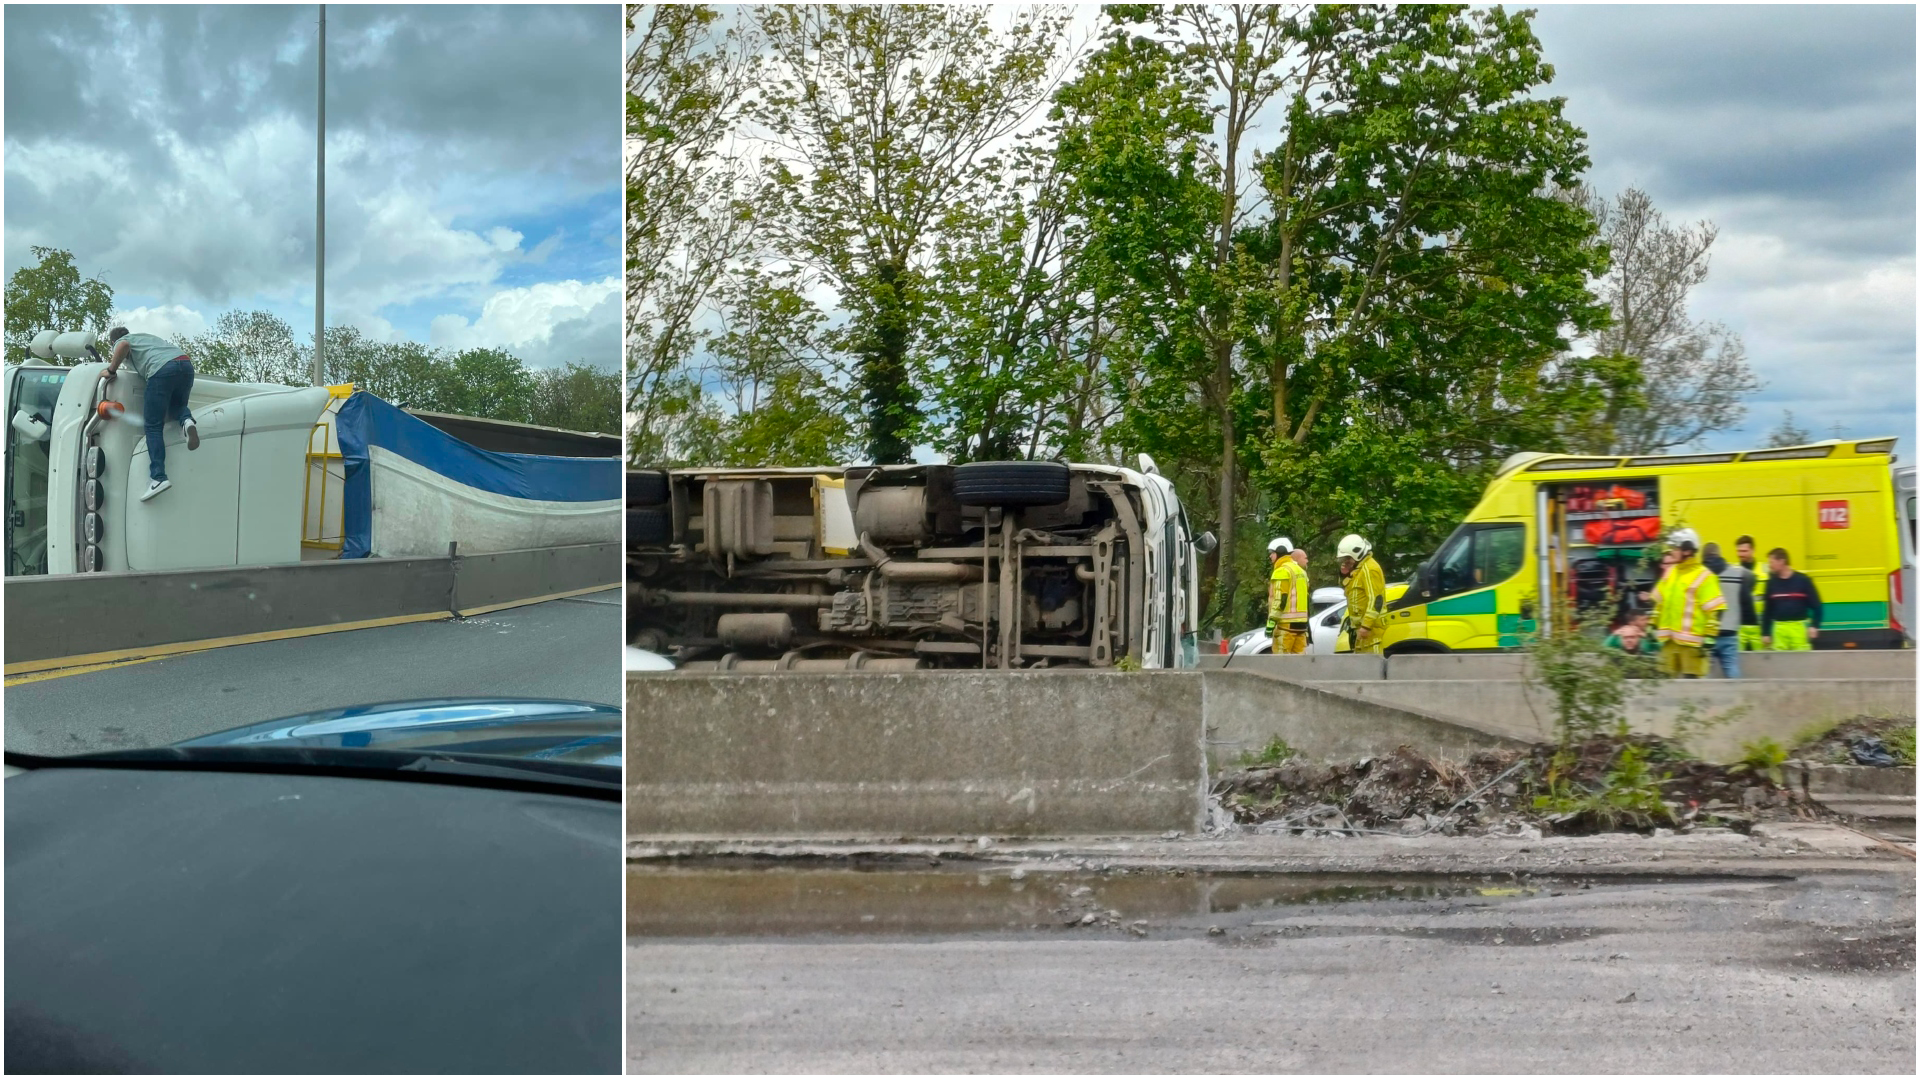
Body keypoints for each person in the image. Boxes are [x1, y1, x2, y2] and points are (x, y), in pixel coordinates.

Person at [103, 326, 199, 502]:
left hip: (160, 370)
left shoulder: (124, 341)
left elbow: (123, 345)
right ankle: (187, 422)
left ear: (112, 342)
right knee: (177, 405)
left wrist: (111, 370)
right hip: (185, 365)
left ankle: (158, 477)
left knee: (153, 426)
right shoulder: (145, 338)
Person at [1650, 527, 1724, 679]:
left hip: (1692, 646)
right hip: (1668, 643)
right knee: (1664, 685)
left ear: (1687, 550)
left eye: (1675, 548)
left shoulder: (1705, 576)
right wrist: (1652, 625)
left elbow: (1715, 610)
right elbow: (1660, 603)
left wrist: (1710, 637)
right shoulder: (1670, 572)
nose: (1671, 552)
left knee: (1692, 689)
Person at [1702, 541, 1756, 678]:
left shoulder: (1699, 574)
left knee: (1705, 671)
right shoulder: (1737, 572)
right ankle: (1738, 697)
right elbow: (1749, 584)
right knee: (1731, 667)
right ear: (1719, 554)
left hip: (1706, 631)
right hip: (1730, 630)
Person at [1761, 548, 1823, 651]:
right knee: (1780, 663)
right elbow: (1767, 611)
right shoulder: (1770, 583)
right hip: (1779, 629)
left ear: (1782, 561)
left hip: (1799, 628)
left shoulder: (1803, 580)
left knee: (1802, 662)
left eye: (1771, 562)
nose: (1769, 566)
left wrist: (1814, 626)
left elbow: (1817, 606)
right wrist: (1765, 633)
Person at [1337, 533, 1386, 656]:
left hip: (1371, 632)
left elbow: (1376, 600)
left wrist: (1366, 626)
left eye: (1348, 558)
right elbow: (1351, 591)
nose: (1346, 561)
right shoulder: (1359, 568)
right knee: (1363, 670)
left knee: (1373, 669)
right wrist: (1344, 574)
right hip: (1361, 631)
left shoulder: (1370, 569)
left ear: (1357, 554)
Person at [1265, 537, 1311, 654]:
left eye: (1272, 553)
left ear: (1280, 551)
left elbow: (1280, 599)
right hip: (1301, 627)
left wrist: (1271, 623)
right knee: (1299, 666)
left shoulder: (1281, 571)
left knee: (1281, 665)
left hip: (1285, 627)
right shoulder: (1301, 571)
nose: (1270, 556)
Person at [1735, 536, 1766, 651]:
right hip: (1739, 624)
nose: (1741, 554)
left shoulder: (1765, 570)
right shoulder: (1733, 571)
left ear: (1753, 550)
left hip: (1759, 624)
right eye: (1738, 551)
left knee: (1763, 659)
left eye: (1744, 551)